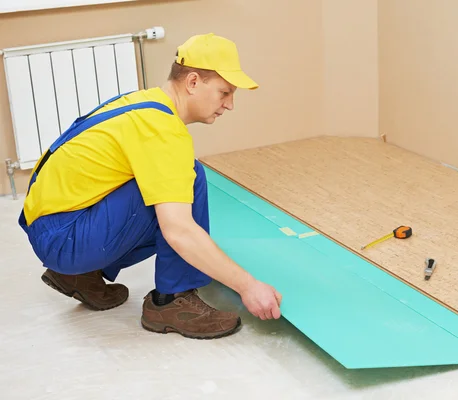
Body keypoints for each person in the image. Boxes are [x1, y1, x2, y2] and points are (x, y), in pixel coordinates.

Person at [18, 33, 282, 340]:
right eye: (224, 92)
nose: (230, 104)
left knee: (168, 182)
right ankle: (172, 300)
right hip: (64, 237)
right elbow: (179, 230)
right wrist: (248, 286)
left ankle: (78, 274)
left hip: (52, 227)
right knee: (188, 178)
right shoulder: (163, 131)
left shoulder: (142, 103)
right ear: (193, 82)